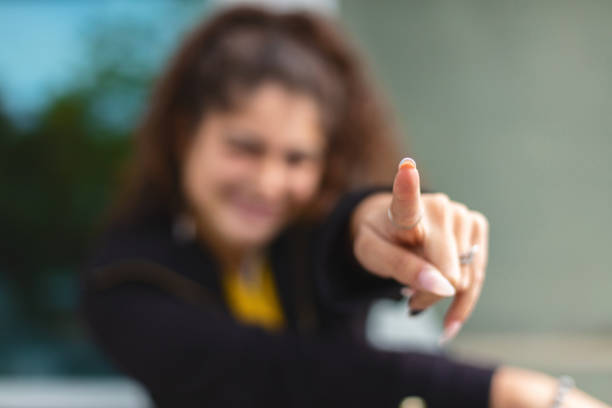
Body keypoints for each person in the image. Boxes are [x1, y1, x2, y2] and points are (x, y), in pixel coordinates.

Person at [79, 5, 610, 408]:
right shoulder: (123, 280)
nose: (269, 183)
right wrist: (512, 392)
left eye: (296, 158)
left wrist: (381, 222)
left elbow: (343, 239)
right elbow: (280, 373)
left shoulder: (306, 238)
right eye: (245, 147)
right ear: (183, 134)